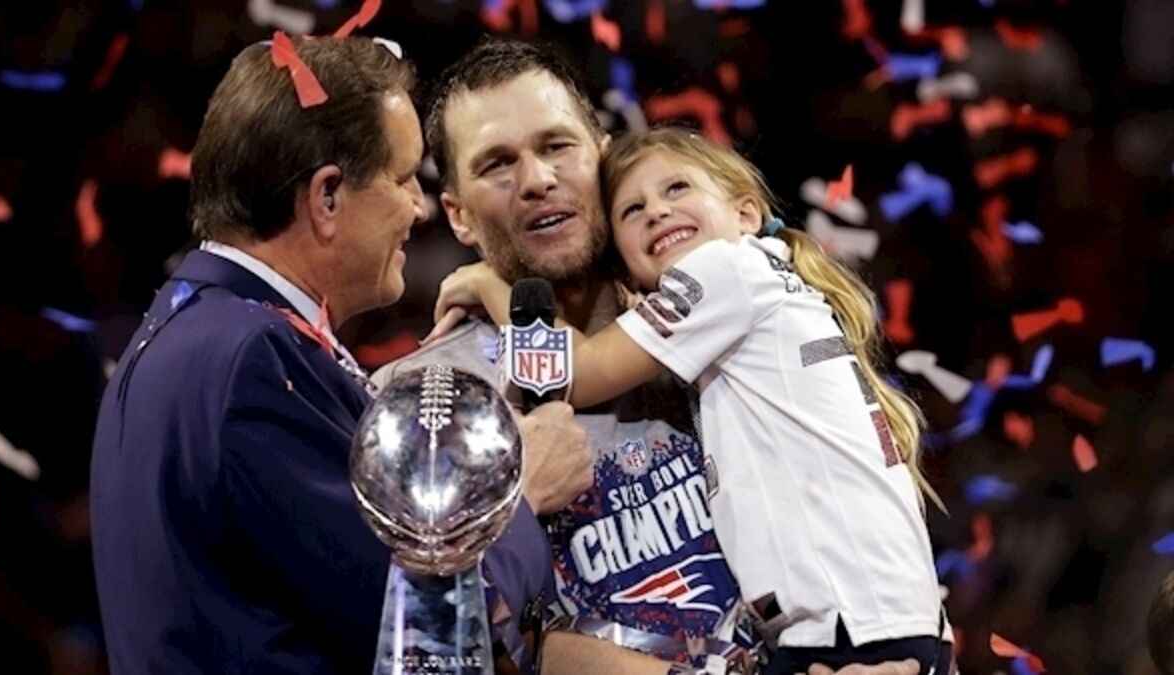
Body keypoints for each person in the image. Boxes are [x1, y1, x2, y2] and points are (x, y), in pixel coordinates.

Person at [376, 38, 925, 675]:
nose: (537, 181)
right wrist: (515, 503)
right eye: (498, 164)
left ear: (603, 159)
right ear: (458, 216)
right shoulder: (424, 403)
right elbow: (420, 648)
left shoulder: (720, 330)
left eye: (557, 146)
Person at [89, 35, 593, 674]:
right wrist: (518, 495)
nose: (418, 208)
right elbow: (421, 639)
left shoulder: (191, 332)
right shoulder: (252, 361)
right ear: (327, 196)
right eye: (403, 178)